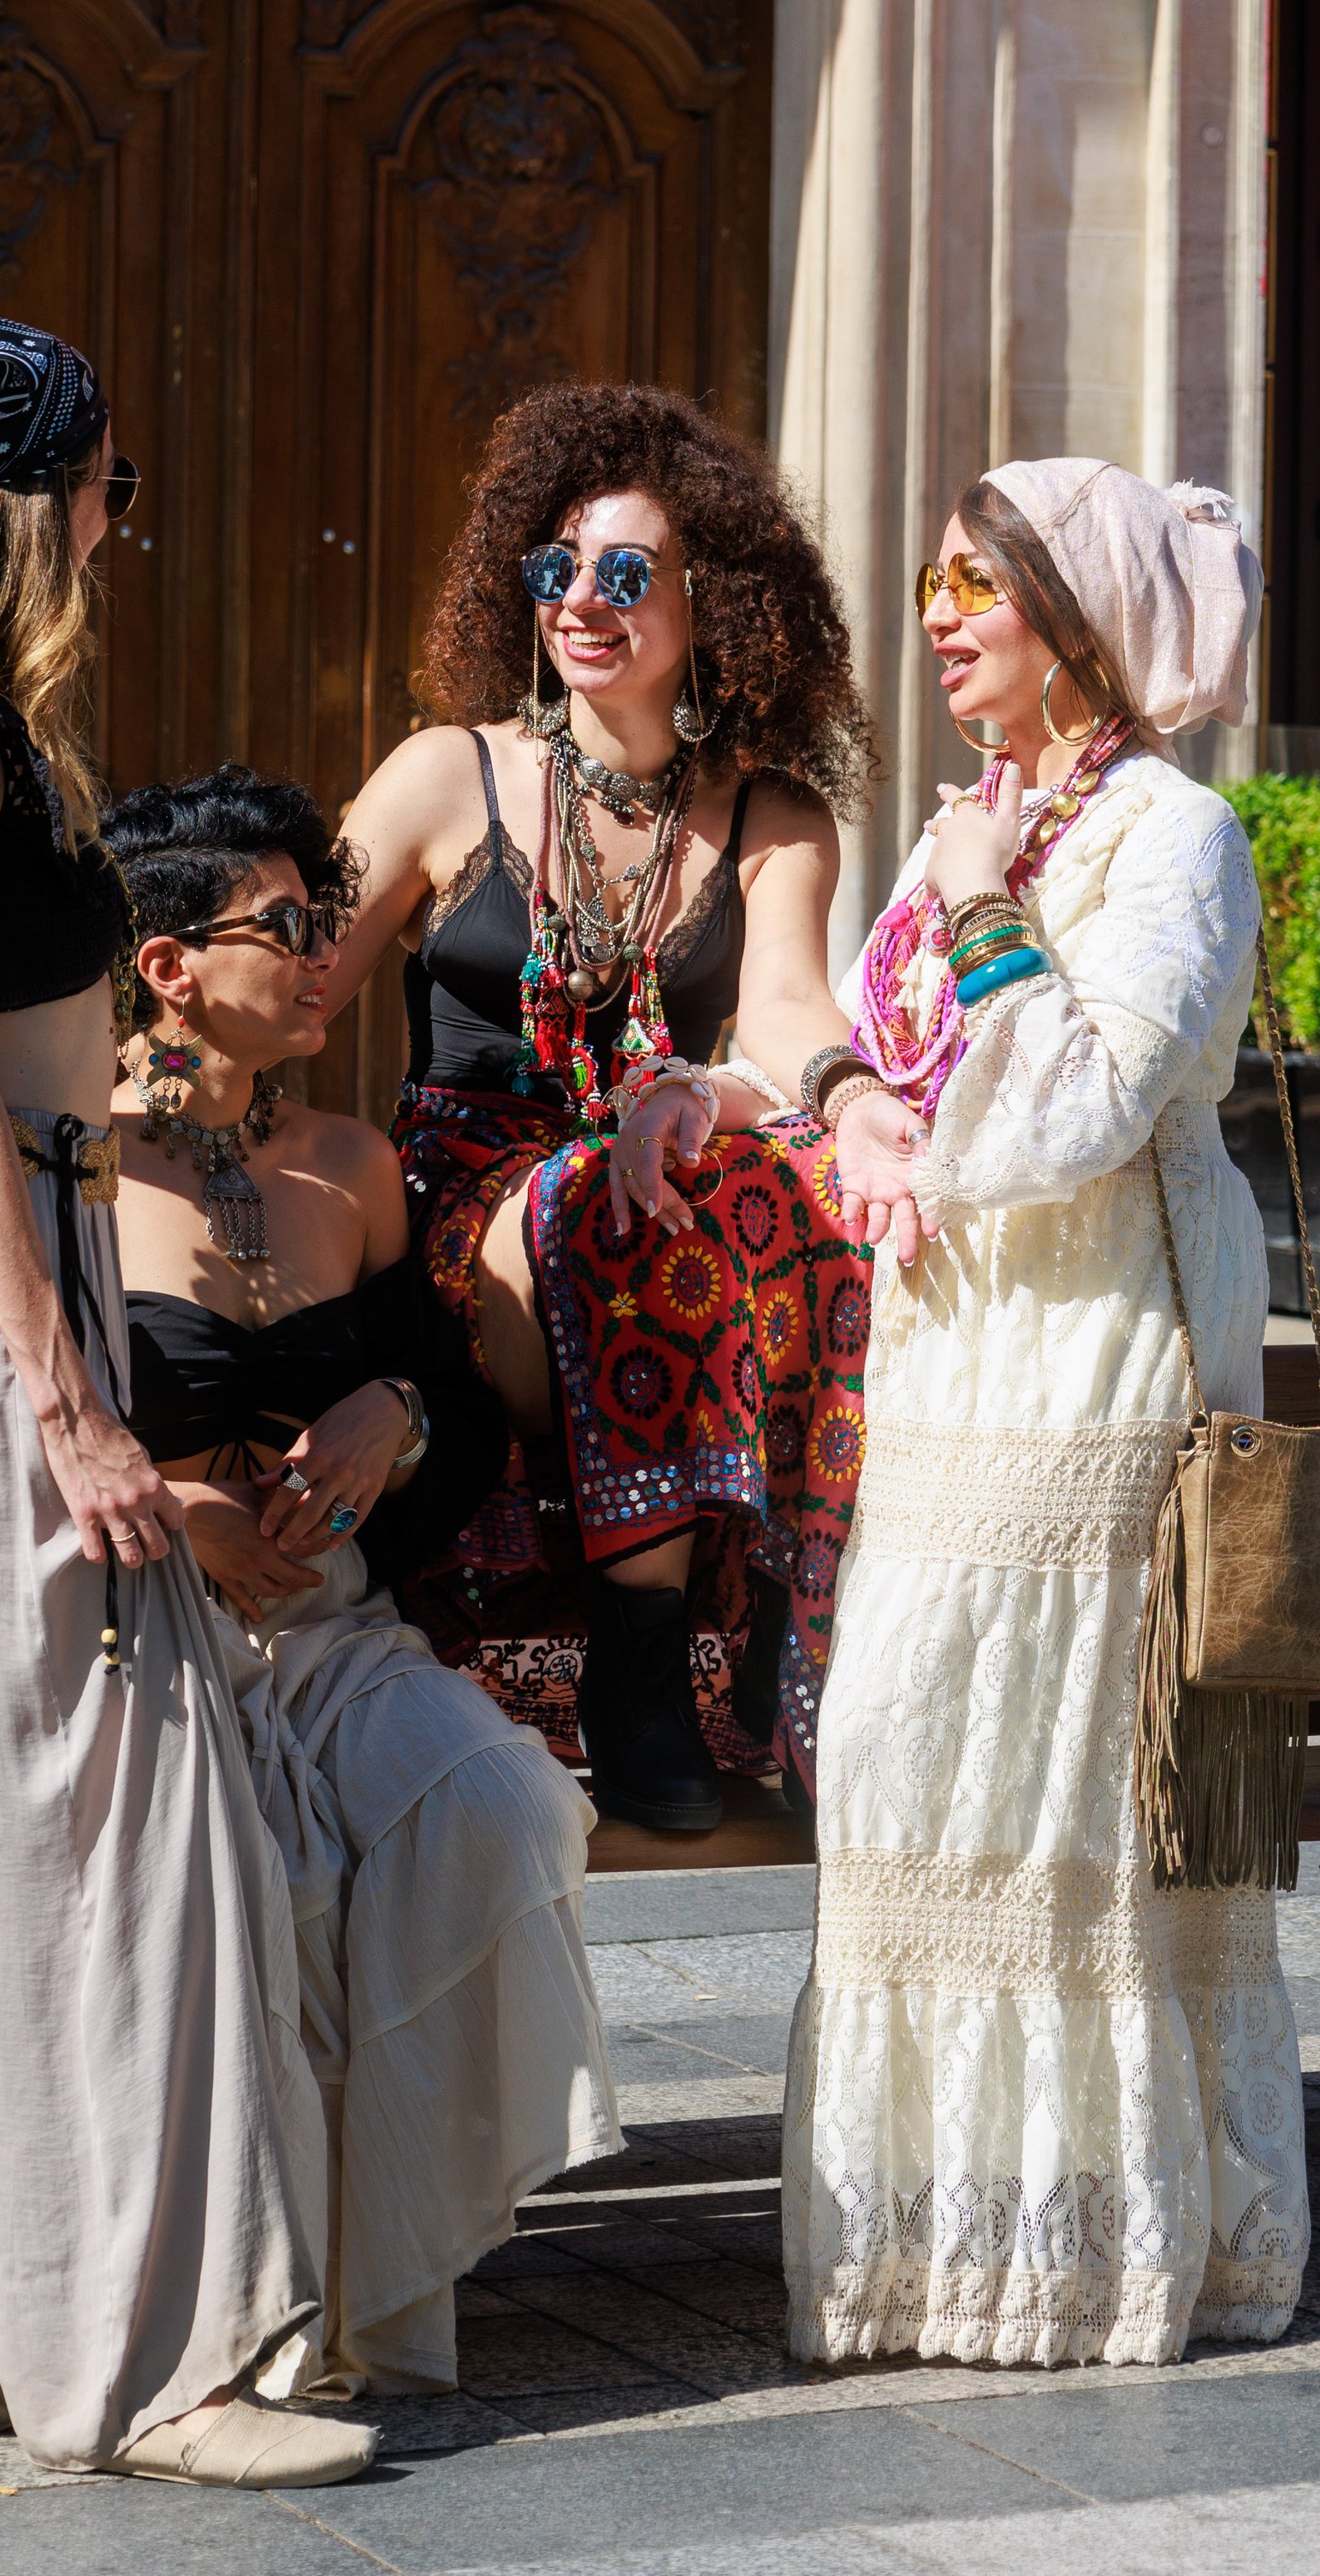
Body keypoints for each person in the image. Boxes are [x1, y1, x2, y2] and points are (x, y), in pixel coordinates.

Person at [0, 316, 376, 2489]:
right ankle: (149, 2369)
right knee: (123, 1798)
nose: (126, 515)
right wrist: (66, 1400)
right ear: (32, 496)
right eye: (110, 477)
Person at [784, 460, 1305, 2369]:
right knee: (914, 1755)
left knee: (1070, 1789)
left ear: (1073, 624)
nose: (935, 616)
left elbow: (1085, 1105)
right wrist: (841, 1102)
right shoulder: (973, 819)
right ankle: (931, 2233)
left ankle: (1093, 2240)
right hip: (950, 1354)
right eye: (927, 582)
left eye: (973, 586)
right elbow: (879, 1051)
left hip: (1101, 1357)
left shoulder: (1175, 834)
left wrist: (988, 906)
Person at [99, 765, 621, 2395]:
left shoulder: (355, 1163)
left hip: (341, 1637)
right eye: (283, 927)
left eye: (328, 920)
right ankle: (234, 2303)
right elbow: (5, 1430)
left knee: (504, 1805)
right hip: (147, 1636)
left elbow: (462, 1425)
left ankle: (383, 2263)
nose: (326, 954)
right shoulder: (70, 1170)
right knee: (260, 1880)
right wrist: (179, 1506)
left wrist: (397, 1410)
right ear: (171, 966)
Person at [327, 383, 885, 1829]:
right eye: (555, 567)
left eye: (627, 575)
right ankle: (651, 1665)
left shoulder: (773, 816)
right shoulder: (446, 776)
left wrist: (845, 1096)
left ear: (718, 607)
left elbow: (786, 1010)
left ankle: (742, 1633)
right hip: (471, 1214)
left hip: (662, 1198)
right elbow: (289, 974)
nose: (582, 601)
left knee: (784, 1190)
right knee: (603, 1197)